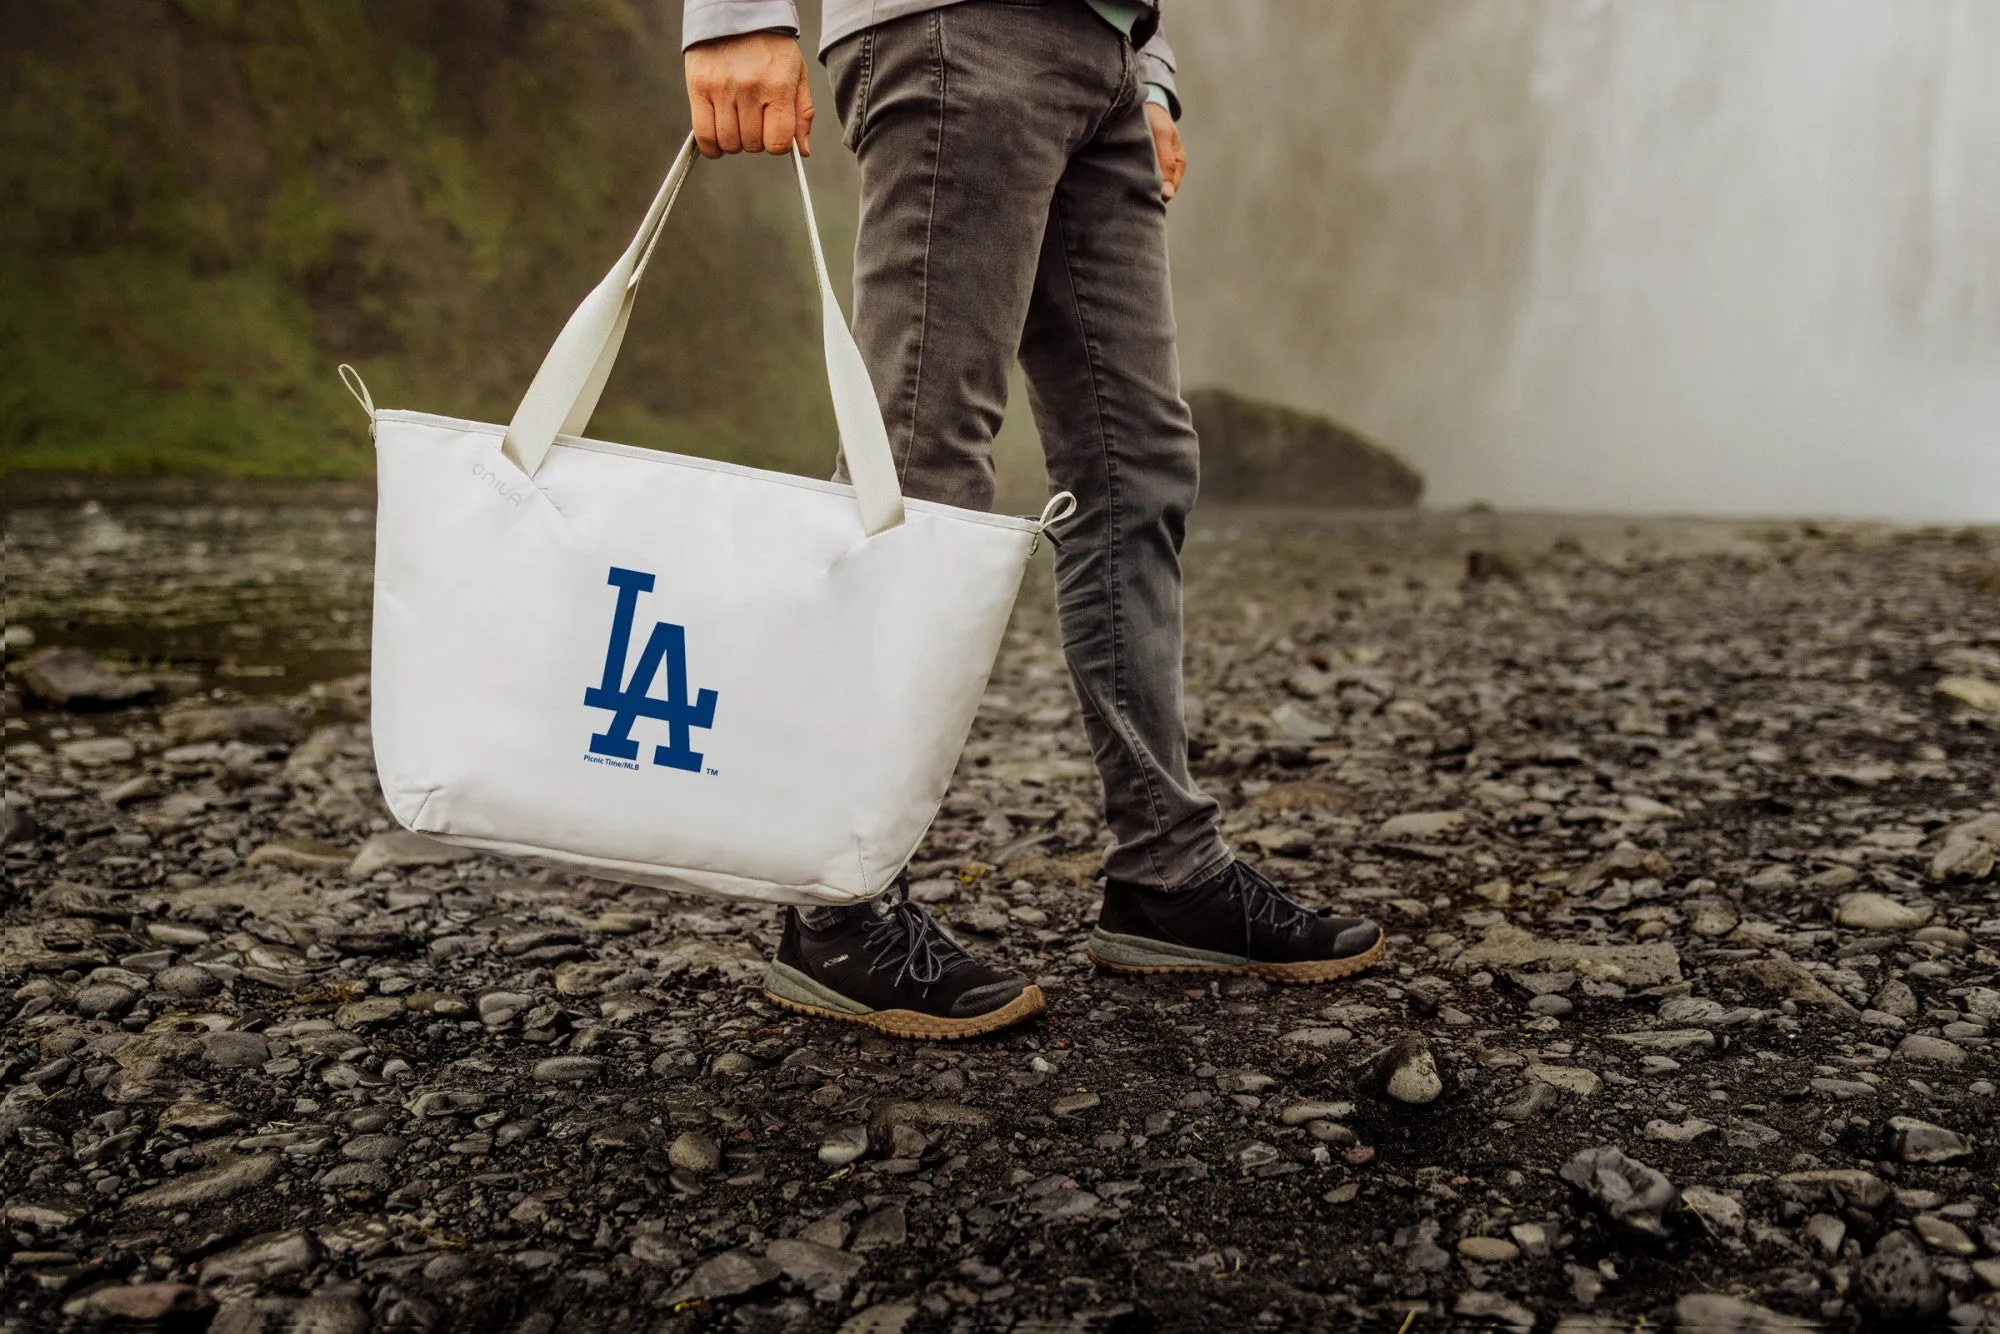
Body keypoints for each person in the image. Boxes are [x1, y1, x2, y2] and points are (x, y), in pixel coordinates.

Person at [681, 0, 1385, 1038]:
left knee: (1138, 460)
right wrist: (734, 14)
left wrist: (1145, 68)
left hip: (1101, 55)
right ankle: (837, 903)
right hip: (957, 30)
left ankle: (1165, 872)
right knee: (919, 458)